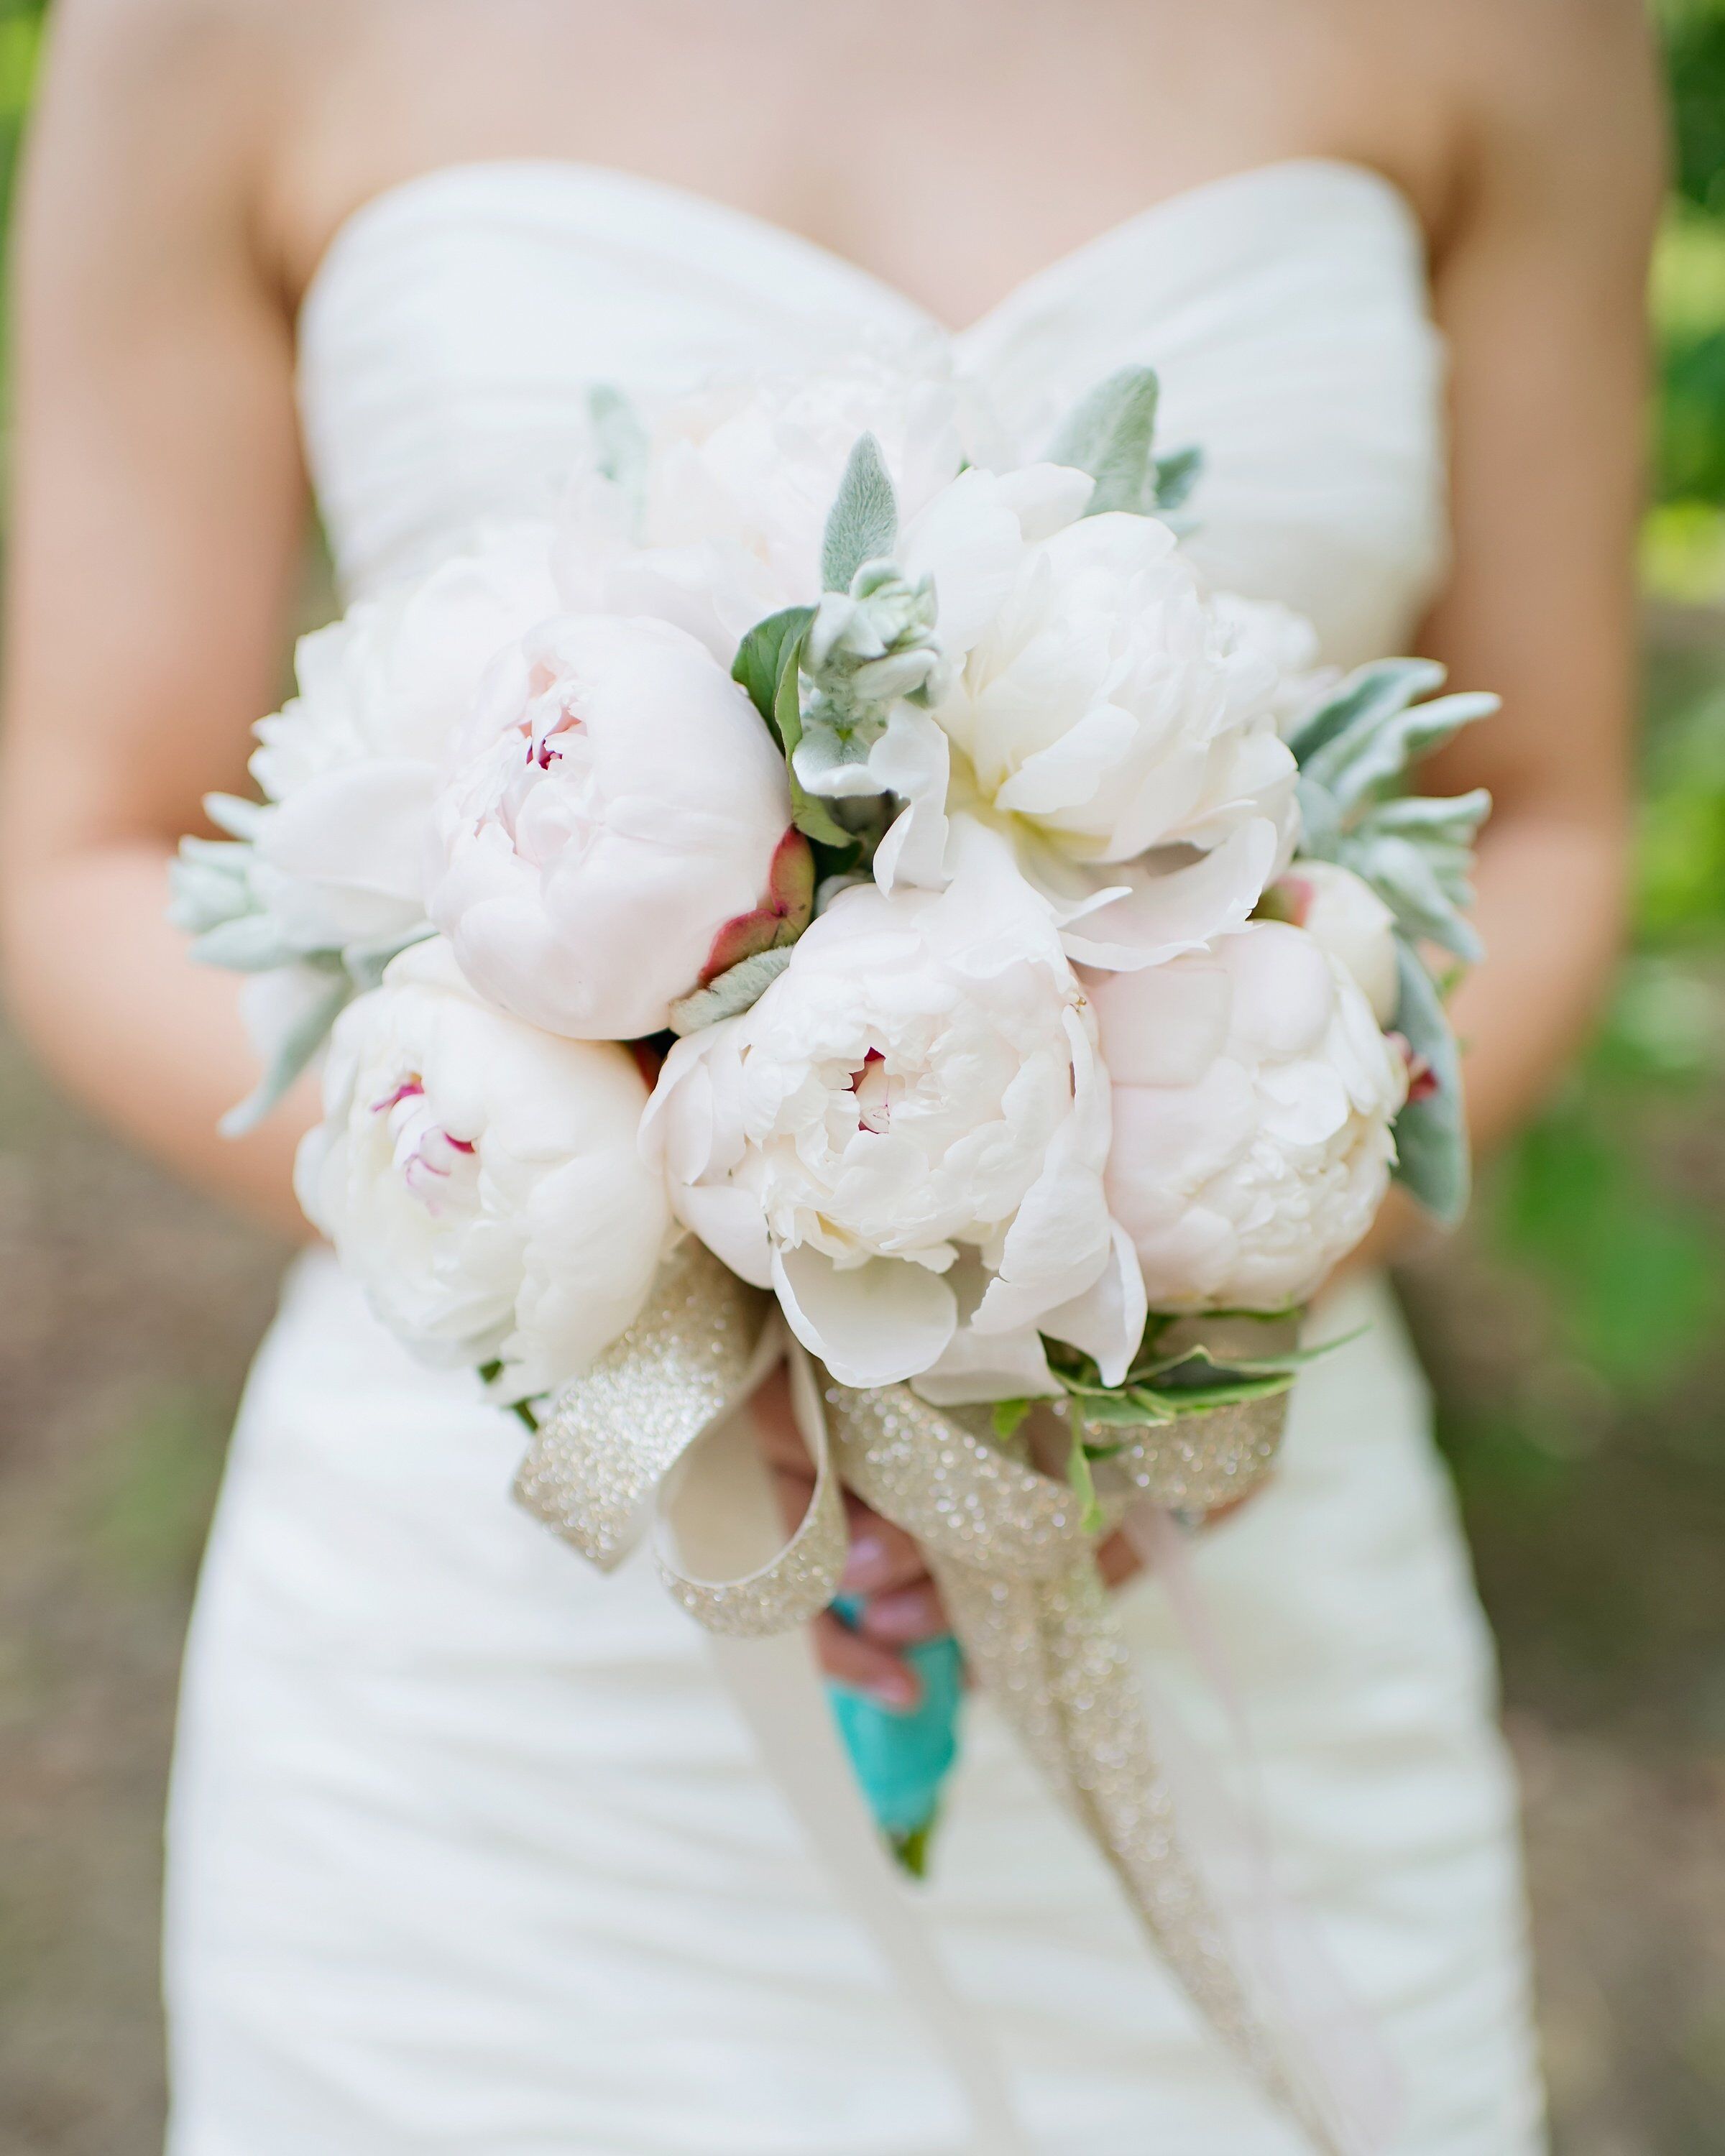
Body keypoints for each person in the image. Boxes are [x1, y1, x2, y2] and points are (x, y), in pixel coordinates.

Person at [0, 1, 1660, 2149]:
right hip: (505, 1677)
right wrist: (664, 1279)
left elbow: (1552, 805)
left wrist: (1210, 1253)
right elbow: (83, 841)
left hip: (1230, 1569)